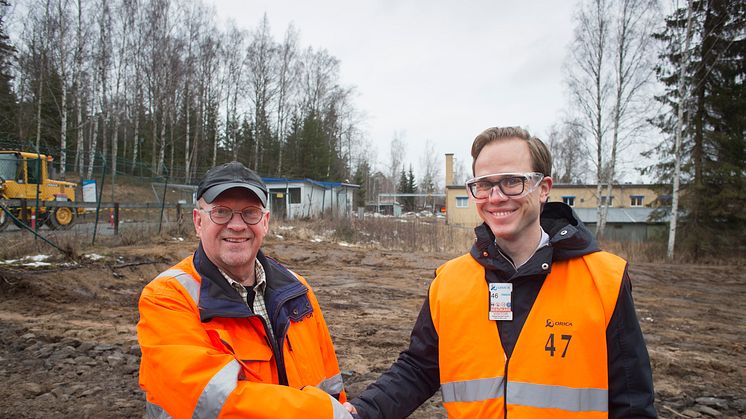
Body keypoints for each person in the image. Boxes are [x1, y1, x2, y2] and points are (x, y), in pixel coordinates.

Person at [346, 127, 657, 418]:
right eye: (484, 184)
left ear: (543, 189)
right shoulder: (450, 283)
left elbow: (632, 403)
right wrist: (360, 412)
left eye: (512, 181)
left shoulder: (604, 280)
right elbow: (418, 368)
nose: (495, 197)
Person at [137, 161, 352, 419]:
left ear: (265, 222)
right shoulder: (168, 297)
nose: (237, 225)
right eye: (221, 212)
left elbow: (330, 384)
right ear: (198, 221)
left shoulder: (298, 290)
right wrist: (325, 413)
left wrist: (339, 409)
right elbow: (212, 403)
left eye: (250, 213)